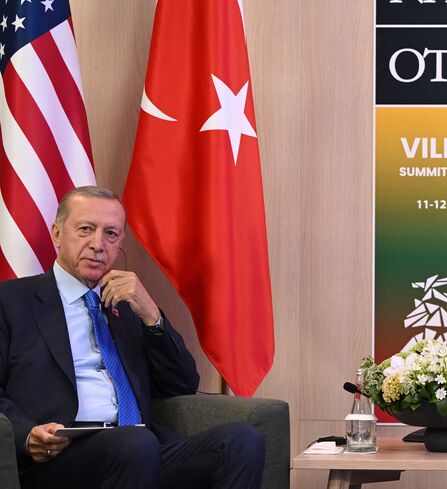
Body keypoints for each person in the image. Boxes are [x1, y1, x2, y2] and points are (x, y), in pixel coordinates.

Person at [0, 186, 266, 489]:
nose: (98, 244)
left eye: (111, 234)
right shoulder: (11, 302)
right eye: (86, 229)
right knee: (136, 444)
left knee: (242, 441)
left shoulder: (127, 307)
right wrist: (25, 434)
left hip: (142, 446)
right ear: (57, 234)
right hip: (60, 454)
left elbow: (182, 383)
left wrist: (151, 314)